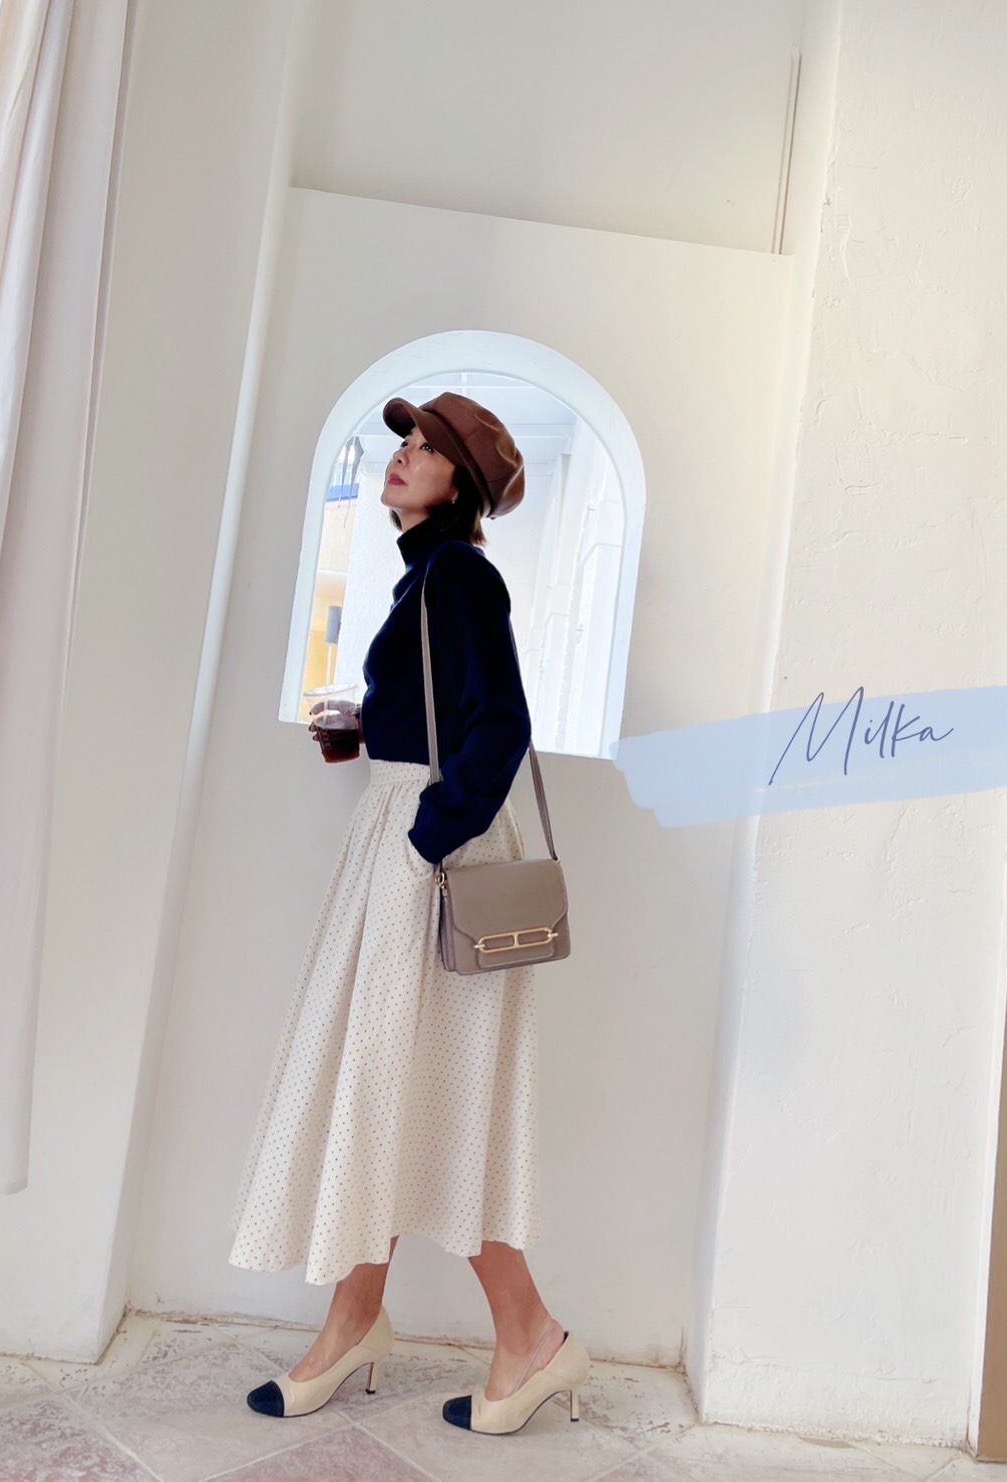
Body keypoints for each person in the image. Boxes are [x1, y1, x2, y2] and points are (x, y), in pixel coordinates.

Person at [227, 392, 590, 1436]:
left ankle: (525, 1335)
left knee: (410, 1092)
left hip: (428, 859)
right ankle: (366, 1323)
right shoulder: (425, 575)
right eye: (405, 442)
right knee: (384, 1089)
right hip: (407, 845)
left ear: (460, 483)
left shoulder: (458, 574)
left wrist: (425, 836)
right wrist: (367, 733)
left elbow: (501, 725)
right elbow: (443, 715)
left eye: (427, 448)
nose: (404, 456)